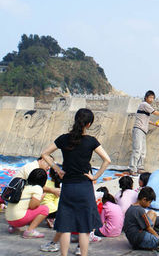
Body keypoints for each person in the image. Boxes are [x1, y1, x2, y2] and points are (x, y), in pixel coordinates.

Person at [41, 108, 111, 256]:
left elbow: (45, 153)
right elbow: (107, 160)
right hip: (84, 187)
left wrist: (56, 168)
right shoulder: (91, 141)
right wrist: (95, 176)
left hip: (68, 186)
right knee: (84, 228)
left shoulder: (64, 138)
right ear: (89, 124)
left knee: (66, 225)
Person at [129, 90, 159, 176]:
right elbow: (156, 113)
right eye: (150, 97)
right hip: (138, 129)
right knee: (137, 150)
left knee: (143, 151)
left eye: (153, 98)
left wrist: (155, 124)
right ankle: (132, 169)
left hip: (143, 130)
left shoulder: (145, 107)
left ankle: (140, 168)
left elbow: (147, 120)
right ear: (146, 97)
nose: (152, 99)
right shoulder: (144, 104)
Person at [5, 168, 49, 238]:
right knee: (44, 209)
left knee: (21, 205)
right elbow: (32, 206)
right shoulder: (37, 188)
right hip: (18, 220)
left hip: (9, 218)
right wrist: (41, 198)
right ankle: (29, 231)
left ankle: (12, 227)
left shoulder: (23, 185)